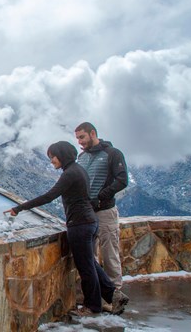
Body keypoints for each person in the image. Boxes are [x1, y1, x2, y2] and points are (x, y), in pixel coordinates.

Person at [4, 141, 115, 316]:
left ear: (62, 155)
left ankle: (92, 306)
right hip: (89, 222)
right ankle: (112, 294)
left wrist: (19, 208)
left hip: (80, 224)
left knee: (86, 267)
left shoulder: (69, 174)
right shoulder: (79, 170)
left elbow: (49, 196)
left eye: (53, 157)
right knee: (91, 263)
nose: (51, 161)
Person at [74, 122, 129, 310]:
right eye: (77, 139)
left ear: (92, 133)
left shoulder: (112, 154)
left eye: (82, 137)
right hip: (86, 213)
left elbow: (122, 180)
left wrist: (101, 197)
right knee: (91, 256)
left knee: (109, 253)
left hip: (105, 212)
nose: (80, 142)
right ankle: (96, 294)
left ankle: (115, 297)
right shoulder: (81, 157)